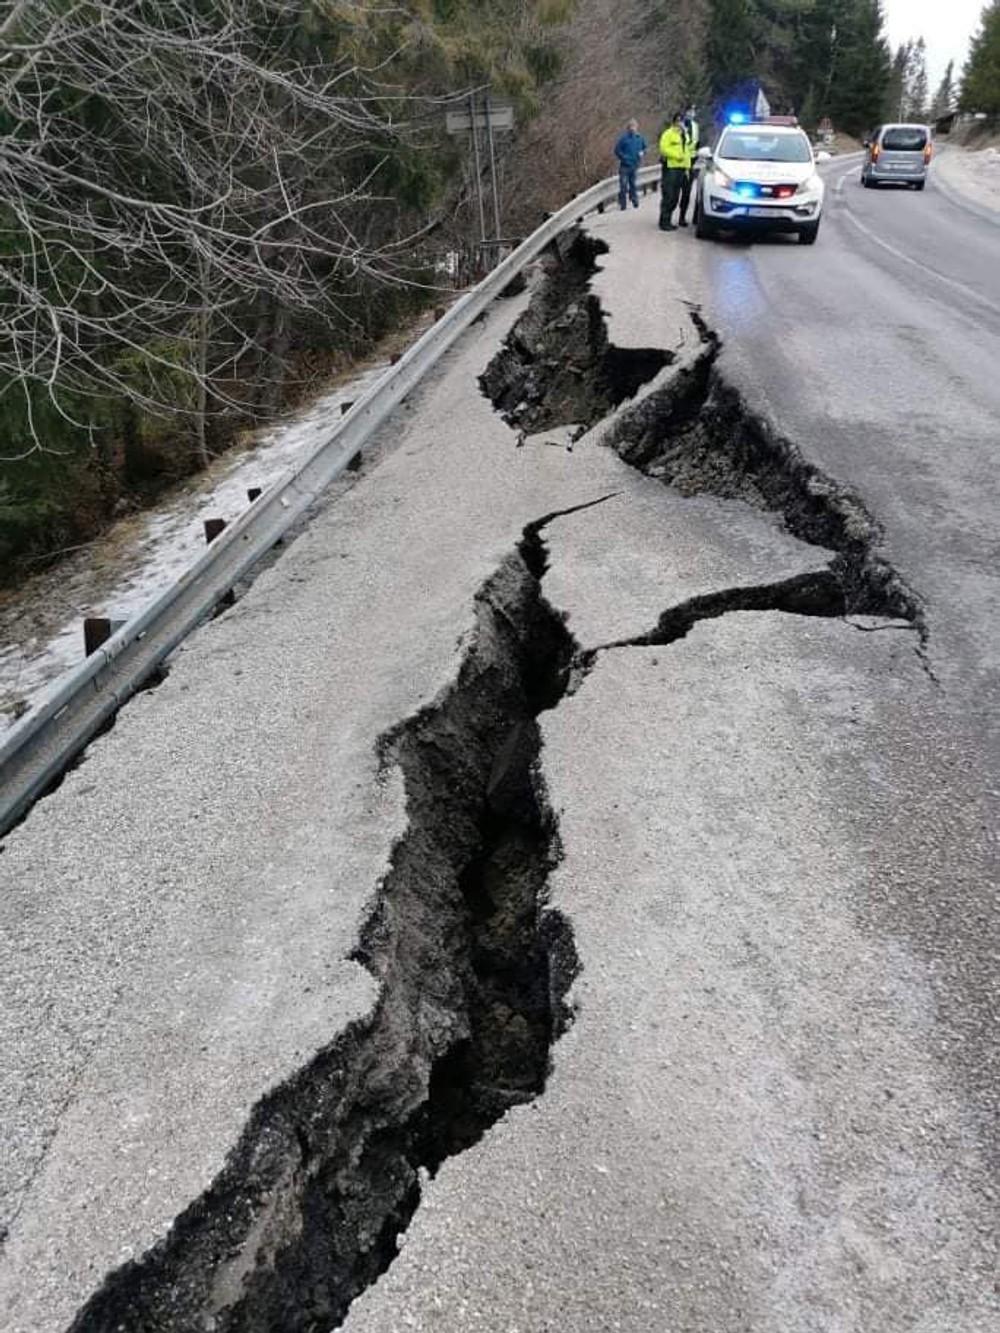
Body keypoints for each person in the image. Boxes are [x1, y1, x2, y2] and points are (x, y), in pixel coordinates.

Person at [658, 111, 687, 231]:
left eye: (681, 120)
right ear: (674, 121)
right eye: (678, 120)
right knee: (668, 195)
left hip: (681, 168)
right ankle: (664, 221)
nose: (679, 123)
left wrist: (687, 168)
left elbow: (687, 151)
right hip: (670, 168)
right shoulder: (668, 134)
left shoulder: (684, 134)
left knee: (675, 196)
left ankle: (668, 220)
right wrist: (676, 156)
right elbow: (663, 148)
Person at [614, 118, 647, 211]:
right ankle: (623, 204)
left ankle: (634, 199)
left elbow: (645, 148)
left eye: (634, 126)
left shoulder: (640, 138)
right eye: (630, 126)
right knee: (623, 185)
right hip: (624, 166)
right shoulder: (623, 139)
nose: (632, 128)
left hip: (635, 165)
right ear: (627, 128)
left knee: (633, 184)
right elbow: (617, 150)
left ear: (637, 127)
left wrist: (643, 152)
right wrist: (624, 158)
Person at [677, 109, 699, 227]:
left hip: (689, 163)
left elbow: (696, 143)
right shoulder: (678, 124)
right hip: (676, 163)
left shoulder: (695, 126)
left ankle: (682, 218)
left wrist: (694, 159)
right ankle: (666, 219)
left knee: (687, 192)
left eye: (693, 111)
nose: (691, 113)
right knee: (673, 194)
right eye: (689, 111)